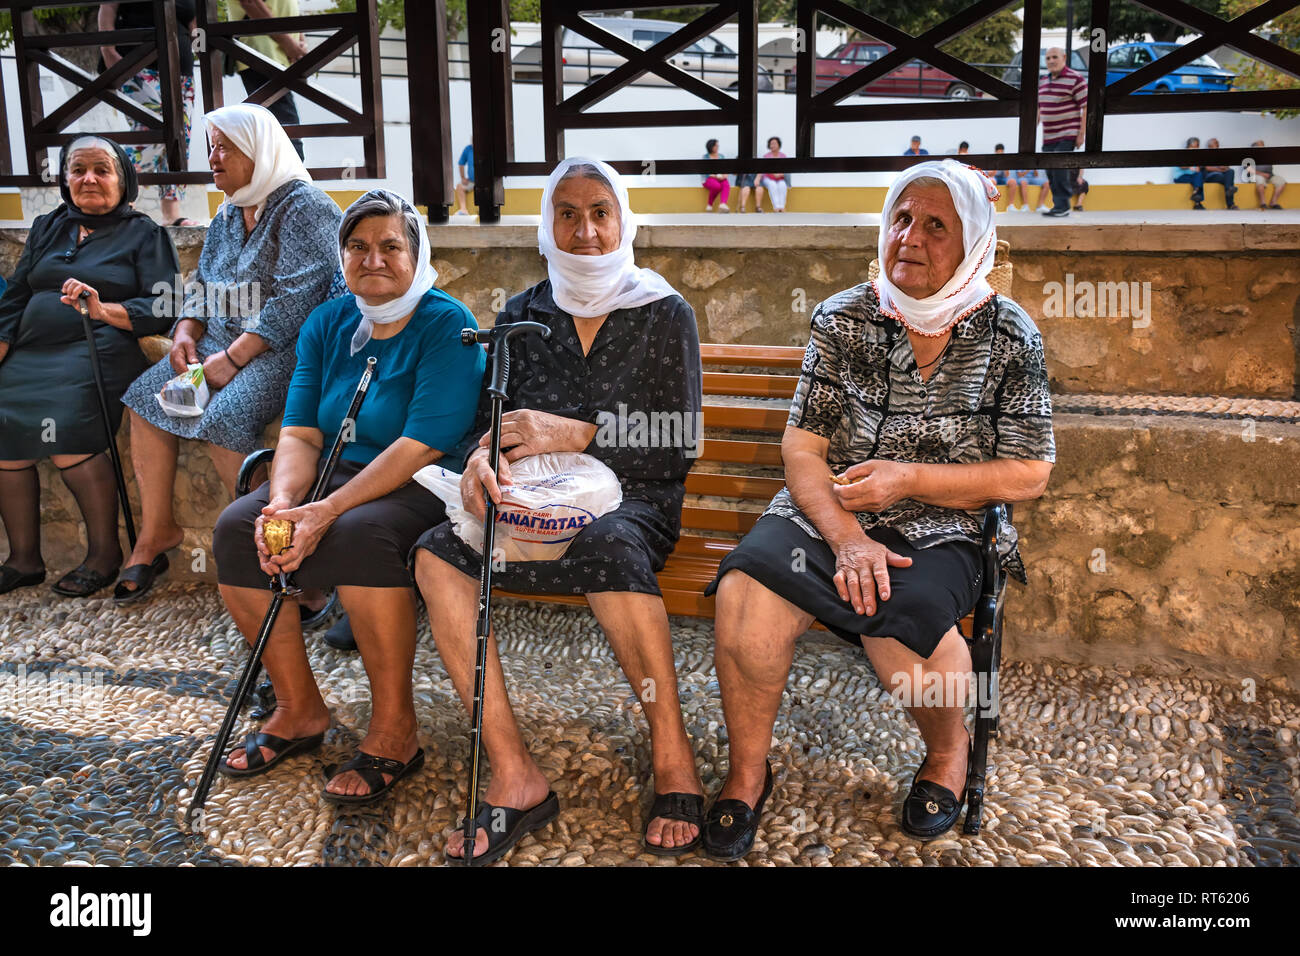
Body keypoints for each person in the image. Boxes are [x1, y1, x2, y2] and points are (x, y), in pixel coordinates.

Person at [702, 160, 1054, 859]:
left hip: (944, 523)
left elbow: (1029, 471)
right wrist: (848, 536)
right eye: (900, 218)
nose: (909, 239)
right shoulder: (843, 317)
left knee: (910, 654)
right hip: (827, 511)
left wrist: (909, 478)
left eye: (935, 226)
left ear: (974, 242)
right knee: (744, 603)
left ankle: (948, 756)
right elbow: (803, 450)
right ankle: (748, 773)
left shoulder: (1010, 334)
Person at [412, 157, 705, 863]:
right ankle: (514, 776)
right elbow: (494, 421)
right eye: (567, 214)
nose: (585, 230)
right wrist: (482, 463)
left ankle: (673, 759)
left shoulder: (663, 312)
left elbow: (678, 442)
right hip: (530, 507)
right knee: (435, 555)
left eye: (600, 212)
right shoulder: (522, 315)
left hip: (634, 503)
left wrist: (578, 434)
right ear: (547, 224)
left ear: (623, 220)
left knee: (611, 548)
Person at [211, 189, 485, 801]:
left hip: (415, 482)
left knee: (361, 535)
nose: (374, 258)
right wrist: (283, 502)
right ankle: (298, 708)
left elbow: (422, 442)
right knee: (238, 527)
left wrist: (325, 511)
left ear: (417, 254)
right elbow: (302, 430)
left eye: (391, 246)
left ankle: (395, 731)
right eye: (357, 246)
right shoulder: (329, 322)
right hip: (328, 478)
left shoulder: (447, 324)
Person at [118, 104, 342, 605]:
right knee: (146, 402)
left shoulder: (306, 207)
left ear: (258, 151)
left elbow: (296, 302)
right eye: (211, 147)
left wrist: (234, 359)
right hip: (222, 344)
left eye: (225, 148)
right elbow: (203, 285)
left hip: (285, 350)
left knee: (224, 418)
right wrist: (184, 333)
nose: (213, 160)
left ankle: (283, 557)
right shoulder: (228, 210)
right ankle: (156, 534)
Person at [0, 136, 180, 597]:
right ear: (65, 180)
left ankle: (103, 554)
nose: (89, 179)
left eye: (102, 170)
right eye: (78, 170)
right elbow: (18, 292)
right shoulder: (48, 226)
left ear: (123, 179)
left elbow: (164, 304)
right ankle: (23, 559)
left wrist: (104, 310)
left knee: (63, 432)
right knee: (3, 435)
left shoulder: (146, 234)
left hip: (96, 345)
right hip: (30, 351)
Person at [98, 1, 200, 226]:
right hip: (134, 63)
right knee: (154, 128)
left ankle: (171, 213)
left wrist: (204, 47)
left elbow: (194, 23)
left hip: (181, 68)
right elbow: (108, 6)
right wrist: (107, 50)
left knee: (180, 134)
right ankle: (112, 186)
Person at [229, 0, 308, 160]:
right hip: (262, 52)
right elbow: (250, 3)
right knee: (286, 126)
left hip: (276, 53)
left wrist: (298, 41)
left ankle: (290, 180)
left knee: (281, 126)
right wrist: (291, 44)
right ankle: (294, 181)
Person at [1038, 46, 1086, 217]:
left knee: (1059, 167)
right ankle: (1058, 205)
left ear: (1064, 57)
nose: (1051, 61)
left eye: (1054, 57)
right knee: (1050, 170)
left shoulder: (1075, 78)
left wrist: (1081, 133)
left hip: (1067, 133)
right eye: (1048, 58)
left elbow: (1085, 106)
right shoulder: (1043, 80)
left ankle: (1063, 205)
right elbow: (1039, 106)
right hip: (1049, 136)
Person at [1201, 138, 1238, 210]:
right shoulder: (1206, 154)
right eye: (1216, 143)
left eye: (1217, 143)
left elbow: (1226, 167)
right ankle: (1230, 203)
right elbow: (1207, 168)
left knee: (1231, 171)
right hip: (1210, 176)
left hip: (1221, 175)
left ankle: (1229, 190)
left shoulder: (1221, 154)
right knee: (1226, 179)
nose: (1218, 144)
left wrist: (1224, 168)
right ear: (1210, 146)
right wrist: (1219, 169)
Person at [756, 136, 790, 213]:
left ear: (779, 145)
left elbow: (786, 169)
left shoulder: (783, 156)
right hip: (768, 178)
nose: (772, 145)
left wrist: (780, 174)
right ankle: (776, 207)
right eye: (771, 144)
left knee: (782, 185)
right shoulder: (766, 156)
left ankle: (782, 207)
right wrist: (757, 178)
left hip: (780, 178)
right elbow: (761, 169)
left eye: (774, 143)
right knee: (772, 185)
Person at [1251, 140, 1287, 209]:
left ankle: (1273, 202)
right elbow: (1249, 169)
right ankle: (1263, 203)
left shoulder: (1267, 155)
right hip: (1258, 175)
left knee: (1281, 181)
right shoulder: (1251, 156)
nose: (1262, 147)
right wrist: (1263, 174)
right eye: (1260, 146)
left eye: (1262, 146)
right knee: (1260, 181)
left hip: (1270, 175)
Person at [1173, 137, 1205, 210]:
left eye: (1196, 146)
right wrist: (1190, 166)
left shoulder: (1197, 155)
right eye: (1192, 146)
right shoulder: (1183, 154)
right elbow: (1182, 166)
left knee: (1199, 176)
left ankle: (1195, 194)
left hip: (1192, 177)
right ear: (1188, 146)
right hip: (1180, 177)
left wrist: (1197, 168)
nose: (1194, 148)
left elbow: (1198, 169)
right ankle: (1197, 200)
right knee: (1198, 179)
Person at [702, 139, 731, 212]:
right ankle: (709, 204)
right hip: (709, 178)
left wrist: (725, 175)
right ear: (711, 146)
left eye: (718, 145)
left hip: (720, 177)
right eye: (715, 145)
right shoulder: (705, 157)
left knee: (726, 183)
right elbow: (705, 172)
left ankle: (723, 204)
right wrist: (716, 176)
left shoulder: (721, 156)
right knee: (716, 186)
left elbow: (726, 167)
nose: (717, 147)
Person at [454, 143, 474, 216]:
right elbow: (461, 163)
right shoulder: (468, 149)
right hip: (472, 181)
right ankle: (463, 209)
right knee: (459, 186)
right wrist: (463, 178)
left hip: (484, 181)